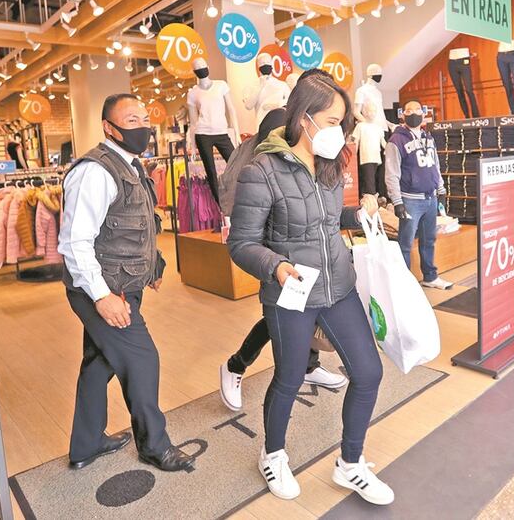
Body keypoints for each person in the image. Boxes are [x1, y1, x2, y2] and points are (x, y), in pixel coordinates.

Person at [228, 71, 393, 506]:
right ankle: (273, 453)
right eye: (334, 120)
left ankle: (350, 464)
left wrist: (362, 215)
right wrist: (276, 267)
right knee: (288, 378)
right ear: (305, 119)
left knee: (368, 372)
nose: (340, 130)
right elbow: (241, 243)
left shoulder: (329, 165)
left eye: (343, 121)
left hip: (337, 284)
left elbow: (326, 220)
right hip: (291, 292)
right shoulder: (261, 171)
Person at [57, 94, 194, 473]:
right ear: (109, 127)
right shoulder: (95, 172)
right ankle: (154, 445)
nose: (142, 127)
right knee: (141, 358)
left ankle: (86, 444)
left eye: (144, 118)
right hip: (103, 289)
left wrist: (155, 264)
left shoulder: (131, 167)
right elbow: (75, 242)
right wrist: (102, 297)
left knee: (99, 362)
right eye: (131, 120)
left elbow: (136, 226)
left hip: (122, 283)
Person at [217, 107, 347, 412]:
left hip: (300, 248)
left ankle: (307, 367)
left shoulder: (304, 146)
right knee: (281, 316)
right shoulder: (262, 160)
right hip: (270, 249)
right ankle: (236, 365)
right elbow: (245, 222)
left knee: (305, 309)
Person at [385, 100, 454, 290]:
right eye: (408, 110)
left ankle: (430, 277)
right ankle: (405, 284)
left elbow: (436, 166)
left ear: (423, 114)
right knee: (405, 243)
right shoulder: (396, 141)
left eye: (417, 110)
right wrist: (397, 202)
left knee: (429, 240)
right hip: (410, 201)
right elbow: (391, 173)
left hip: (430, 199)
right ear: (402, 115)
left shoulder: (428, 138)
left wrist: (441, 189)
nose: (413, 113)